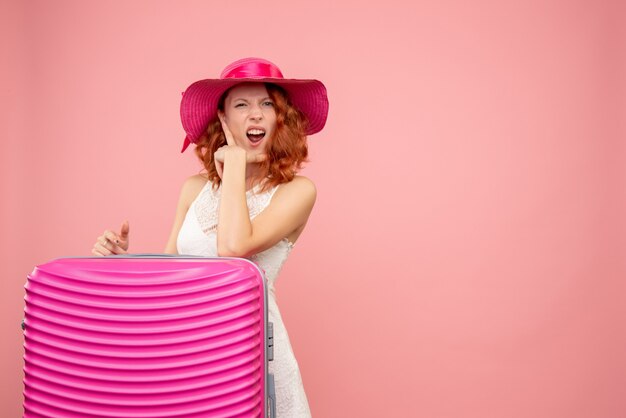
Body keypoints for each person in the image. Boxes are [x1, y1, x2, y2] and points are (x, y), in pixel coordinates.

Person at [91, 57, 329, 417]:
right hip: (188, 354)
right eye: (242, 105)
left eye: (267, 104)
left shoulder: (297, 191)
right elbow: (167, 282)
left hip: (252, 356)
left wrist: (234, 164)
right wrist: (123, 263)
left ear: (281, 118)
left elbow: (233, 248)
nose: (256, 115)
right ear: (223, 118)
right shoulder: (194, 189)